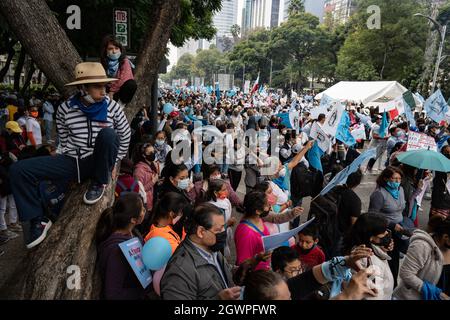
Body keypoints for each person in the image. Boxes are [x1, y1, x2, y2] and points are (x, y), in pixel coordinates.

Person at [9, 62, 131, 249]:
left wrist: (114, 162)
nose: (103, 91)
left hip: (99, 161)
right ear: (83, 88)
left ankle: (99, 182)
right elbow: (64, 142)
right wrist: (59, 165)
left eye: (104, 86)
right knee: (18, 170)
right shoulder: (65, 109)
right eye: (98, 86)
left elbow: (125, 135)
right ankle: (37, 220)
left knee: (109, 134)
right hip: (72, 161)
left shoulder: (113, 107)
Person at [160, 203, 241, 300]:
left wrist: (241, 269)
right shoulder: (179, 271)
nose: (223, 232)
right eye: (219, 230)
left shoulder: (210, 247)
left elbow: (219, 272)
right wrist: (219, 299)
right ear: (201, 232)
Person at [96, 193, 147, 300]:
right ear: (133, 219)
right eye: (142, 209)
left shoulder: (134, 233)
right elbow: (113, 295)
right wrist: (141, 291)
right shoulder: (116, 251)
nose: (144, 211)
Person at [394, 216, 450, 300]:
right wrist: (427, 289)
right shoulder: (422, 246)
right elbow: (406, 273)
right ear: (445, 237)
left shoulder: (447, 247)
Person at [369, 166, 407, 286]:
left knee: (395, 259)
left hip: (400, 228)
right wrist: (391, 224)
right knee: (387, 260)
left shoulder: (400, 190)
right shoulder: (379, 194)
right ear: (386, 179)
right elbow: (372, 215)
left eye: (399, 179)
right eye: (394, 178)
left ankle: (393, 285)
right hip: (385, 231)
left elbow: (402, 208)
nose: (397, 181)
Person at [344, 213, 395, 300]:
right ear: (371, 236)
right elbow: (361, 287)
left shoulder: (370, 245)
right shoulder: (359, 256)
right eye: (382, 232)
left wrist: (383, 249)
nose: (386, 233)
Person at [235, 191, 272, 270]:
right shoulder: (245, 233)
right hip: (254, 277)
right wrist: (258, 259)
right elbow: (243, 265)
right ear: (258, 211)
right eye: (266, 205)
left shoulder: (258, 219)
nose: (269, 207)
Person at [101, 35, 137, 106]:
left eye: (116, 48)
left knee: (131, 84)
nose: (114, 51)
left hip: (119, 90)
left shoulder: (125, 61)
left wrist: (112, 91)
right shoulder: (104, 63)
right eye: (110, 49)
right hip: (107, 89)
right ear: (105, 50)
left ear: (120, 50)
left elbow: (124, 78)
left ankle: (121, 105)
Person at [133, 143, 160, 212]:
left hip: (153, 197)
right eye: (150, 153)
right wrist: (152, 182)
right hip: (145, 204)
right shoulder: (139, 170)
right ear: (144, 155)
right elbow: (138, 190)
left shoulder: (153, 164)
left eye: (153, 152)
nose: (153, 154)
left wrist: (158, 180)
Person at [430, 146, 450, 219]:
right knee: (436, 220)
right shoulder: (440, 167)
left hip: (445, 201)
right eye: (447, 152)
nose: (448, 153)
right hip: (440, 198)